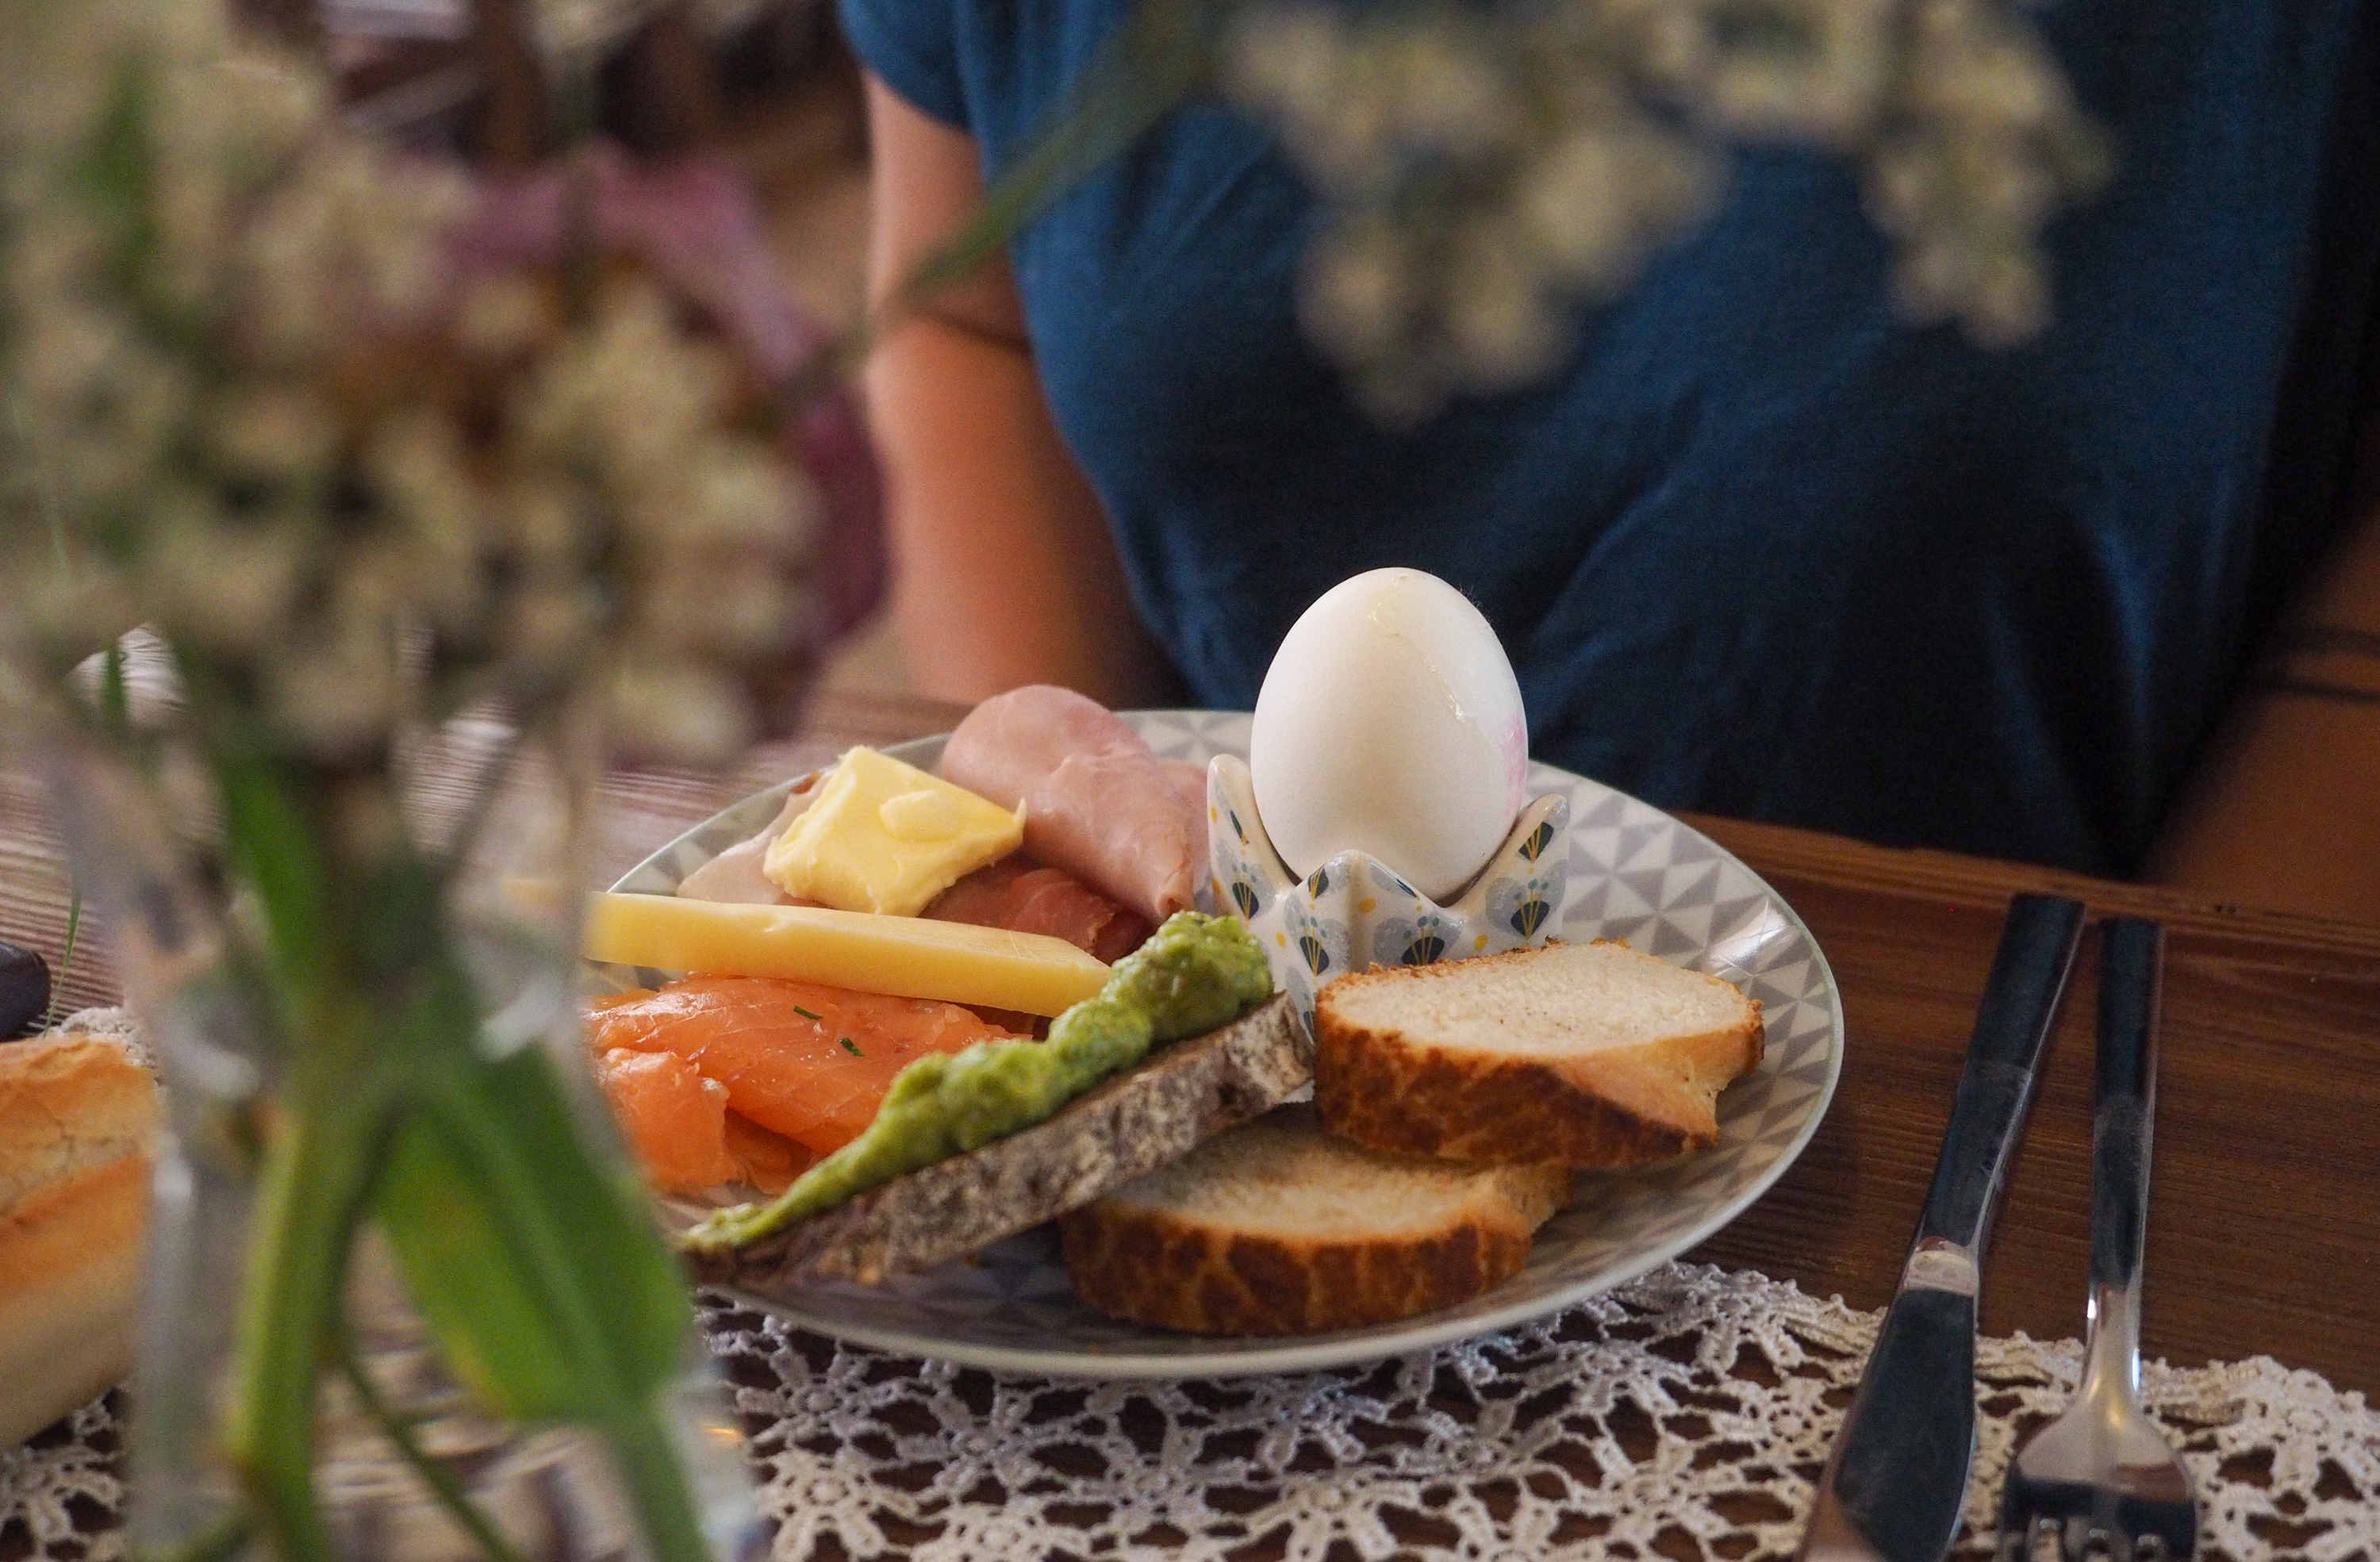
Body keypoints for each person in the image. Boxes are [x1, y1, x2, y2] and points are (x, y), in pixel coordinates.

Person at [839, 0, 2380, 916]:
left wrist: (2178, 1034)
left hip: (2015, 1075)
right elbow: (968, 321)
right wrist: (1086, 866)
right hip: (1248, 988)